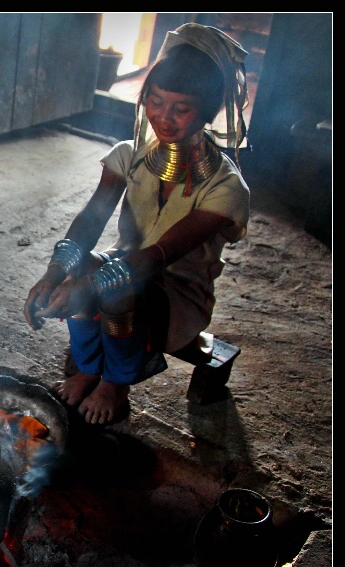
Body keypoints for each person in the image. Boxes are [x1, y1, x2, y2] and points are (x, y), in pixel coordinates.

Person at [24, 23, 250, 426]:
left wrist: (87, 285)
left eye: (181, 109)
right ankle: (89, 368)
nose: (165, 117)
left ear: (208, 110)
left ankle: (115, 383)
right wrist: (54, 272)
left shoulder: (225, 187)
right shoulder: (129, 155)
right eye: (156, 101)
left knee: (111, 279)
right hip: (123, 267)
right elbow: (90, 219)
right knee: (89, 264)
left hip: (178, 297)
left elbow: (160, 255)